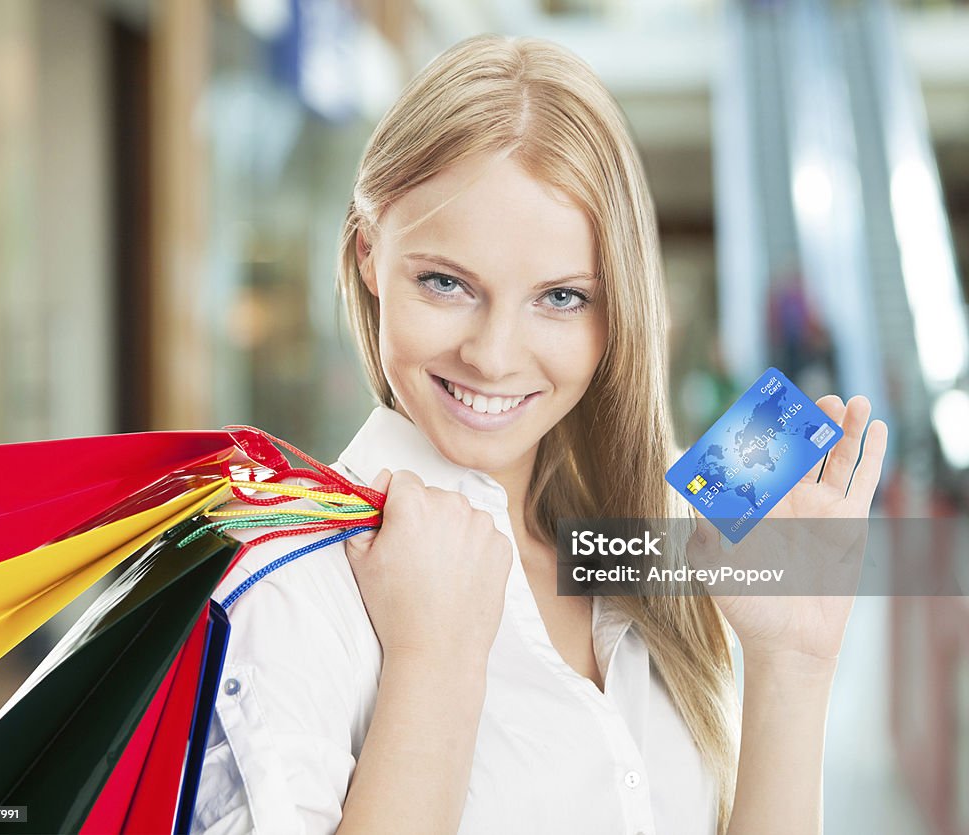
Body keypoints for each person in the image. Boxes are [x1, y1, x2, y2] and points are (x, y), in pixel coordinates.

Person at [191, 34, 887, 835]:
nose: (491, 355)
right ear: (369, 257)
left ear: (617, 310)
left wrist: (791, 664)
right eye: (445, 282)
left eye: (560, 298)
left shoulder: (644, 552)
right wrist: (434, 664)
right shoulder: (290, 584)